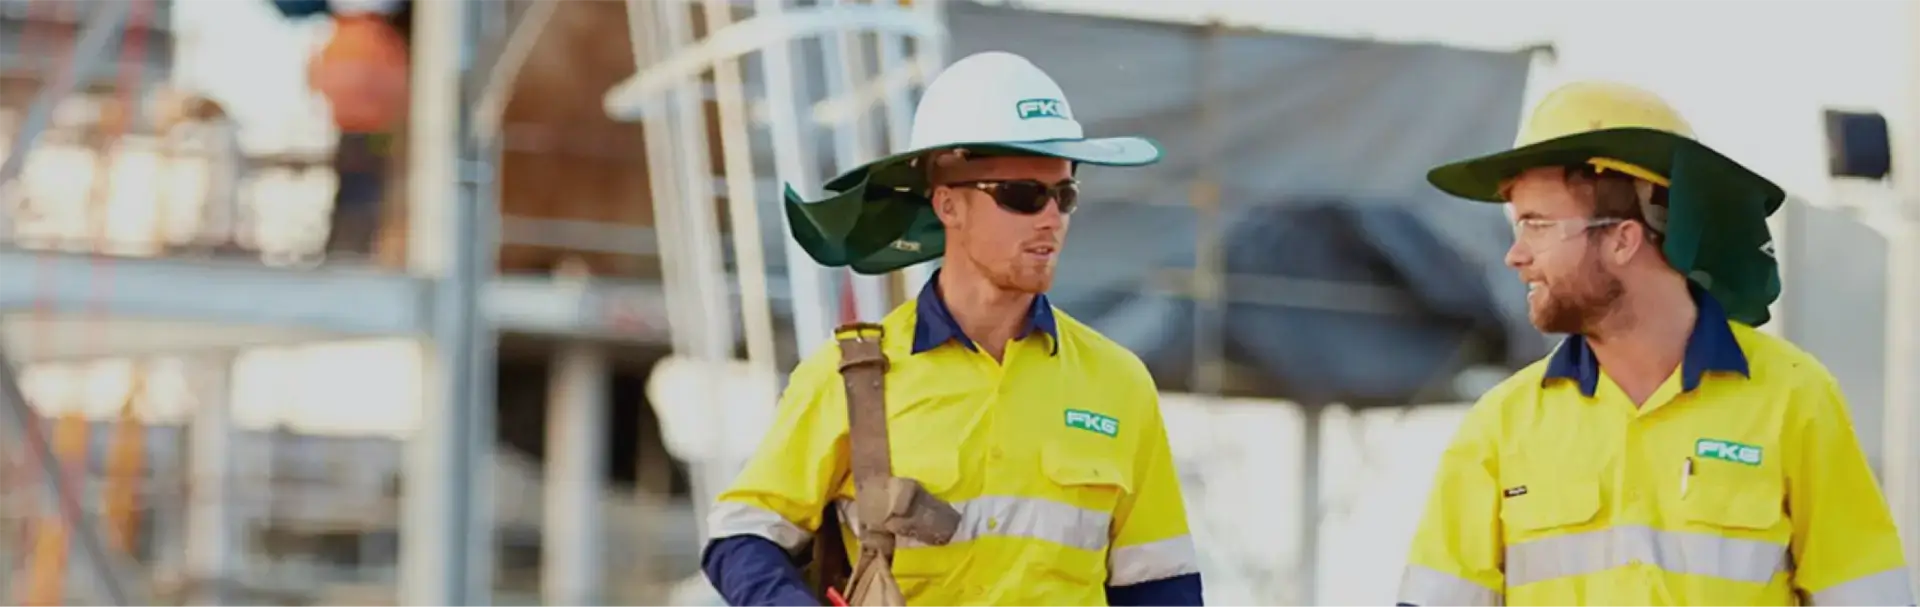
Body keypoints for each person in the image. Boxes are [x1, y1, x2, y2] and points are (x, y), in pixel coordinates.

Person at [699, 51, 1206, 606]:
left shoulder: (1120, 384)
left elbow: (1161, 584)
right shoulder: (850, 379)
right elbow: (741, 533)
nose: (1051, 219)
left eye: (1064, 196)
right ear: (948, 205)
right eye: (1023, 196)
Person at [1397, 80, 1914, 606]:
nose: (1516, 255)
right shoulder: (1497, 429)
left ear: (1623, 238)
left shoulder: (1796, 400)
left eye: (1536, 225)